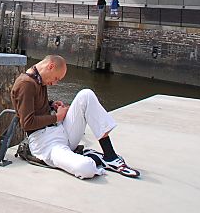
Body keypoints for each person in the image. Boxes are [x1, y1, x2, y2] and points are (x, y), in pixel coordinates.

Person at [11, 55, 140, 179]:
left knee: (86, 95)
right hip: (47, 144)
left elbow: (37, 106)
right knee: (86, 168)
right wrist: (57, 117)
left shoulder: (39, 79)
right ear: (50, 66)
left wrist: (52, 105)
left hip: (61, 131)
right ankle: (92, 158)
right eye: (56, 78)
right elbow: (27, 123)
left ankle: (110, 155)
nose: (55, 83)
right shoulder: (26, 84)